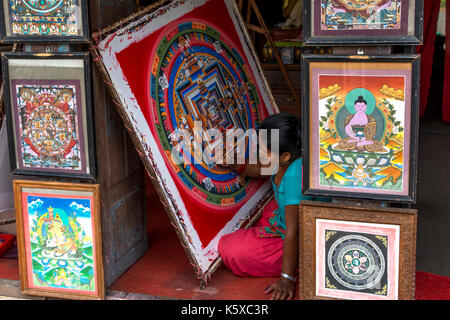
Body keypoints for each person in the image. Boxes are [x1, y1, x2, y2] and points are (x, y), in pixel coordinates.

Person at [218, 113, 315, 300]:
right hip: (286, 220)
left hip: (302, 236)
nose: (259, 153)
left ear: (285, 156)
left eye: (264, 150)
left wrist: (286, 279)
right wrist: (234, 164)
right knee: (267, 209)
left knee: (231, 249)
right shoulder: (282, 161)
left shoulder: (296, 173)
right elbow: (258, 168)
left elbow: (293, 231)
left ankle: (298, 263)